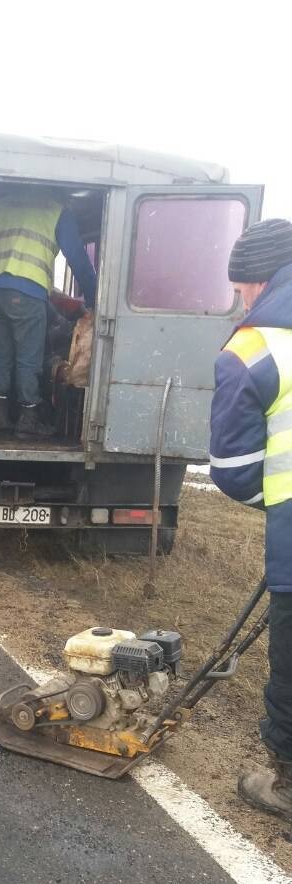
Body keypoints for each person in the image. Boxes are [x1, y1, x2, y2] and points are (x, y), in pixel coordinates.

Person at [209, 218, 292, 817]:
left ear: (257, 282)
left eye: (239, 288)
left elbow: (234, 468)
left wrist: (277, 504)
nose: (239, 299)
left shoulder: (252, 348)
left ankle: (283, 782)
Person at [0, 195, 97, 441]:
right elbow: (76, 256)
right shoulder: (55, 209)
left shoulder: (6, 203)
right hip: (27, 290)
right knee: (28, 357)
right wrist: (95, 298)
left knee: (2, 353)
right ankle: (28, 419)